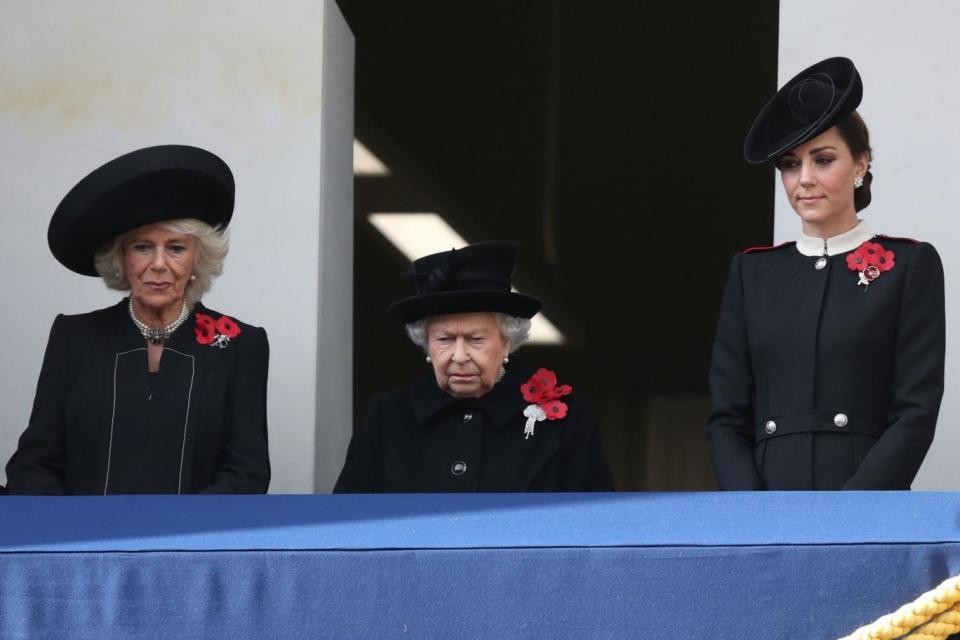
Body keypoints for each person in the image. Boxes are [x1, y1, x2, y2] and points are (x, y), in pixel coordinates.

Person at [705, 57, 945, 490]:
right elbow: (727, 418)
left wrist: (849, 512)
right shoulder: (751, 273)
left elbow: (916, 411)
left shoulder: (911, 265)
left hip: (865, 506)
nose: (805, 179)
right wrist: (752, 514)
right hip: (767, 509)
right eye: (791, 165)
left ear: (860, 164)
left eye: (823, 159)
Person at [5, 145, 270, 494]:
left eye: (176, 248)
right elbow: (34, 465)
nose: (159, 264)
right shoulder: (75, 337)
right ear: (121, 258)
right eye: (142, 247)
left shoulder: (238, 344)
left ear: (196, 259)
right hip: (84, 543)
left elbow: (246, 474)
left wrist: (178, 535)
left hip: (190, 544)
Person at [335, 241, 613, 492]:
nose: (459, 355)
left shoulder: (566, 421)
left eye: (475, 339)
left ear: (507, 341)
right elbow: (346, 523)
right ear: (426, 344)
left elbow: (593, 527)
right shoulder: (387, 417)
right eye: (444, 339)